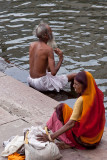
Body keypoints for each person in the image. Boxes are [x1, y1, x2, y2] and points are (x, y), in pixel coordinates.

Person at [37, 71, 105, 149]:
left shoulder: (81, 100)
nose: (73, 86)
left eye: (76, 84)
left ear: (84, 86)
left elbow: (71, 124)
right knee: (68, 111)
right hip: (95, 140)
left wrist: (51, 137)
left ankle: (68, 142)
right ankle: (47, 127)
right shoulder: (98, 95)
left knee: (61, 108)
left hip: (83, 141)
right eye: (74, 83)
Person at [27, 22, 76, 92]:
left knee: (48, 68)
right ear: (46, 36)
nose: (52, 33)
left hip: (30, 80)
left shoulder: (32, 45)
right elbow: (53, 73)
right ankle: (73, 93)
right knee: (75, 75)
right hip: (41, 84)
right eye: (50, 31)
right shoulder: (48, 49)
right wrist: (61, 58)